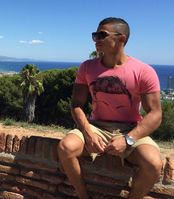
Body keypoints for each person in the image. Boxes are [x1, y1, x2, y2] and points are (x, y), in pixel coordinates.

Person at [57, 17, 162, 199]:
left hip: (130, 129)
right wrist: (88, 131)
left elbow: (155, 114)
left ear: (121, 39)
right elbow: (76, 104)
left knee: (153, 164)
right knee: (66, 148)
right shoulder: (87, 67)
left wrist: (129, 139)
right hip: (96, 126)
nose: (96, 39)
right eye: (94, 35)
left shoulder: (144, 71)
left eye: (101, 35)